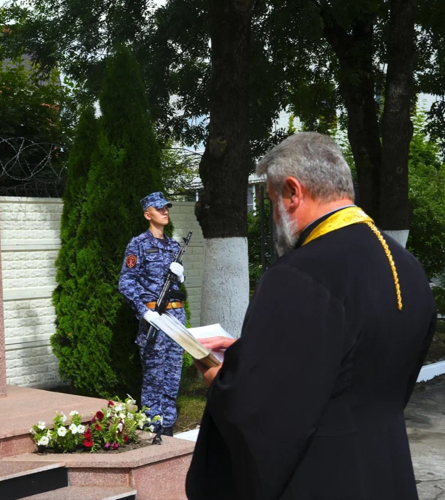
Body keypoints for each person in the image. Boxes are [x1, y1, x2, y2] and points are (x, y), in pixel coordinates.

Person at [185, 132, 437, 500]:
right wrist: (255, 353)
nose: (274, 215)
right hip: (387, 471)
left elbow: (260, 412)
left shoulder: (301, 272)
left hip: (323, 478)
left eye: (272, 201)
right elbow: (351, 366)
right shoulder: (407, 267)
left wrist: (219, 375)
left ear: (292, 192)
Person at [119, 192, 186, 442]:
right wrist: (143, 310)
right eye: (159, 209)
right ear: (148, 214)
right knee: (154, 377)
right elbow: (126, 282)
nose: (165, 212)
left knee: (173, 375)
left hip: (176, 316)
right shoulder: (137, 244)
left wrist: (181, 277)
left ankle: (168, 427)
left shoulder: (174, 246)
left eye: (166, 208)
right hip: (154, 318)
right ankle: (151, 429)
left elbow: (177, 284)